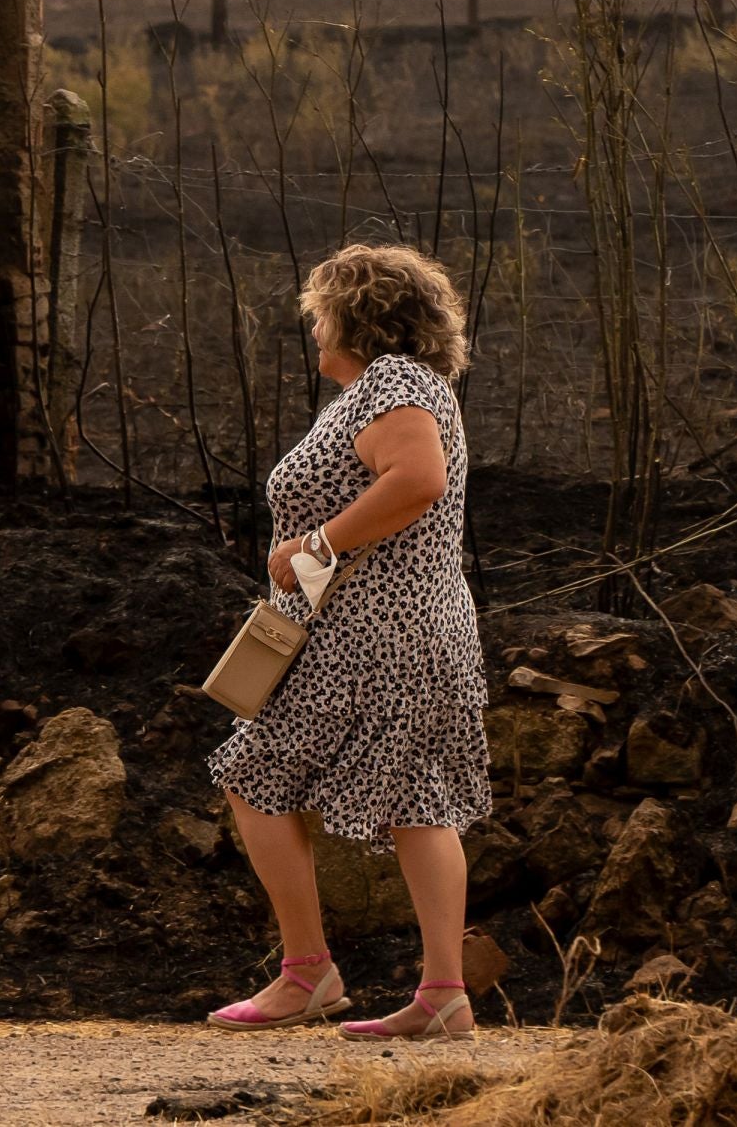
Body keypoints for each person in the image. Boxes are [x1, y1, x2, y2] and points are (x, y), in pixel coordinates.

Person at [204, 242, 490, 1042]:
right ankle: (442, 995)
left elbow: (418, 480)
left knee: (254, 769)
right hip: (406, 629)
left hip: (375, 633)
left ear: (354, 319)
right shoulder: (387, 389)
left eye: (321, 313)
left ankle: (308, 974)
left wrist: (312, 548)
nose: (314, 327)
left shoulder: (394, 381)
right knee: (418, 795)